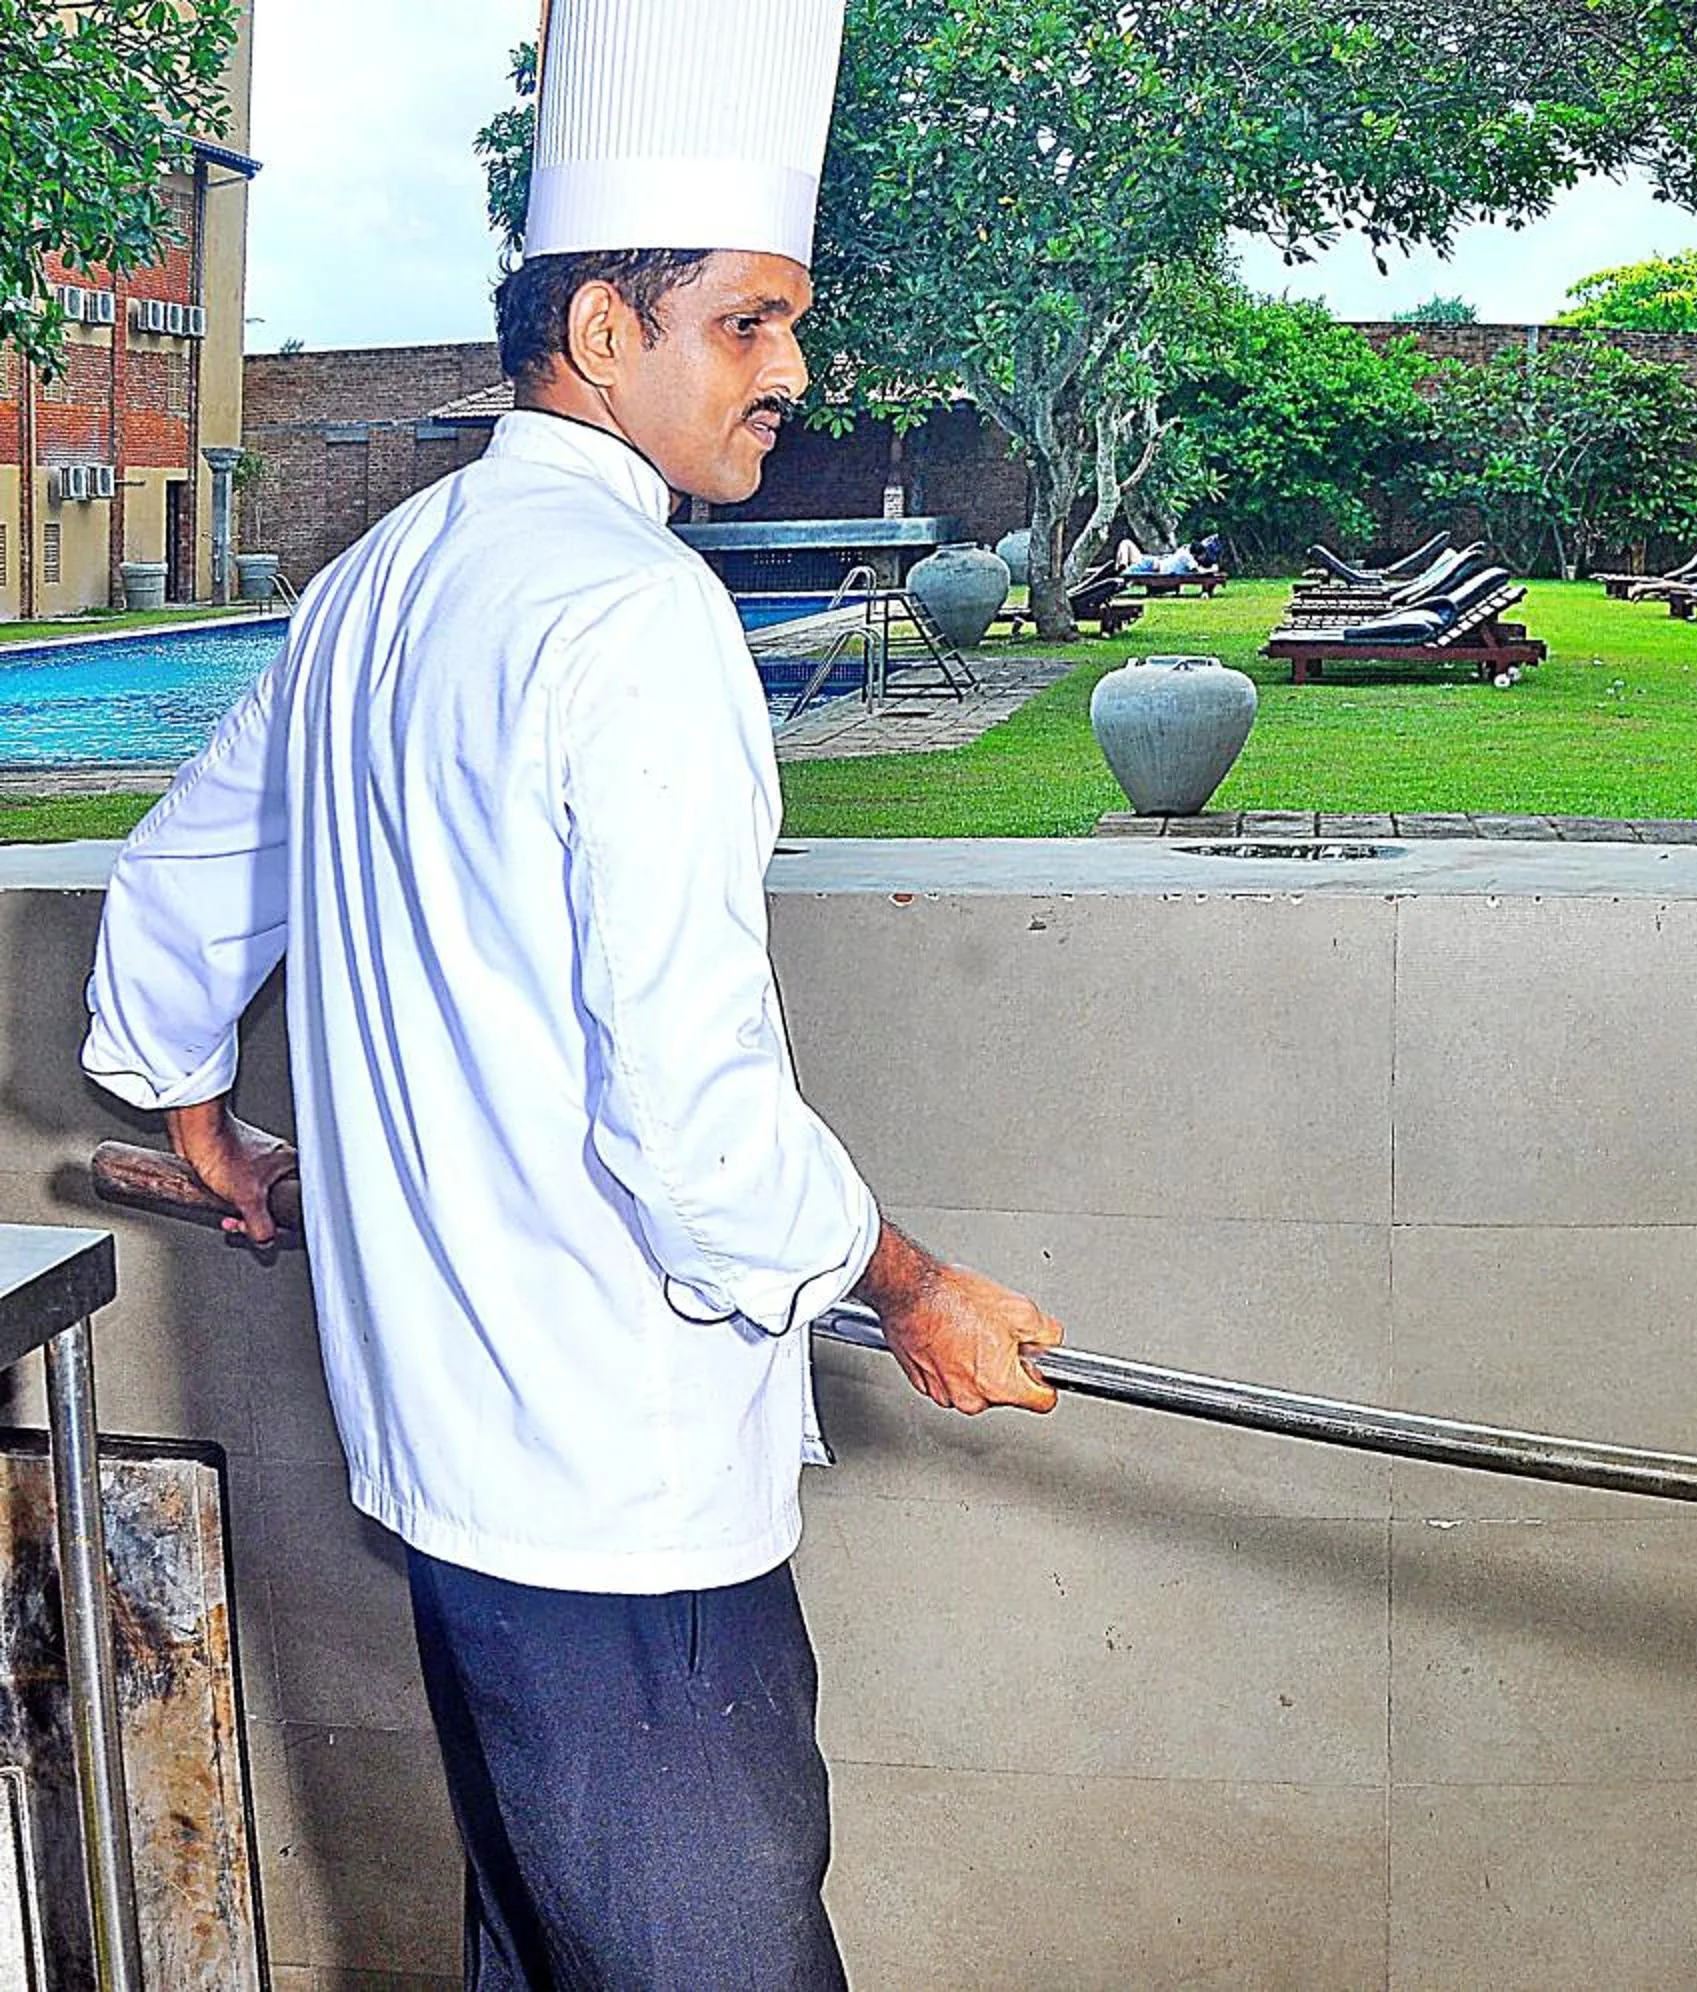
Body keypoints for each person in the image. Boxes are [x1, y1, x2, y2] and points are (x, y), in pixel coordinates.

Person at [77, 5, 1058, 1984]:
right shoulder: (636, 613)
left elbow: (182, 886)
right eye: (748, 325)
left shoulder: (381, 574)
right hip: (618, 1515)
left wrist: (207, 1123)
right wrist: (912, 1284)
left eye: (793, 323)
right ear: (606, 334)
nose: (792, 372)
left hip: (444, 1476)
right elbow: (698, 1132)